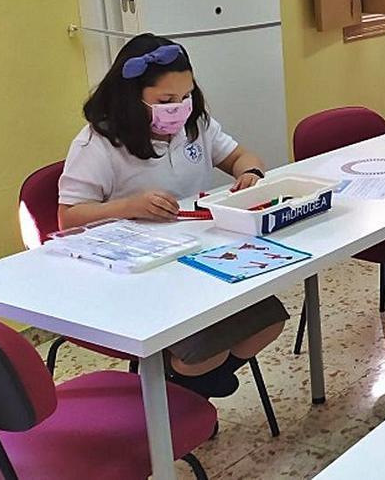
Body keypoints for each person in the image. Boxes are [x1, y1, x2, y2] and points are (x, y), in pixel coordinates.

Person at [58, 34, 287, 398]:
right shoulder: (98, 143)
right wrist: (130, 206)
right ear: (131, 97)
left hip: (198, 259)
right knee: (200, 352)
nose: (178, 108)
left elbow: (244, 157)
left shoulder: (195, 124)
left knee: (270, 319)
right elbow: (68, 218)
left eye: (186, 96)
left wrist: (251, 175)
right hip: (141, 276)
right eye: (165, 101)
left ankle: (189, 388)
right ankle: (182, 385)